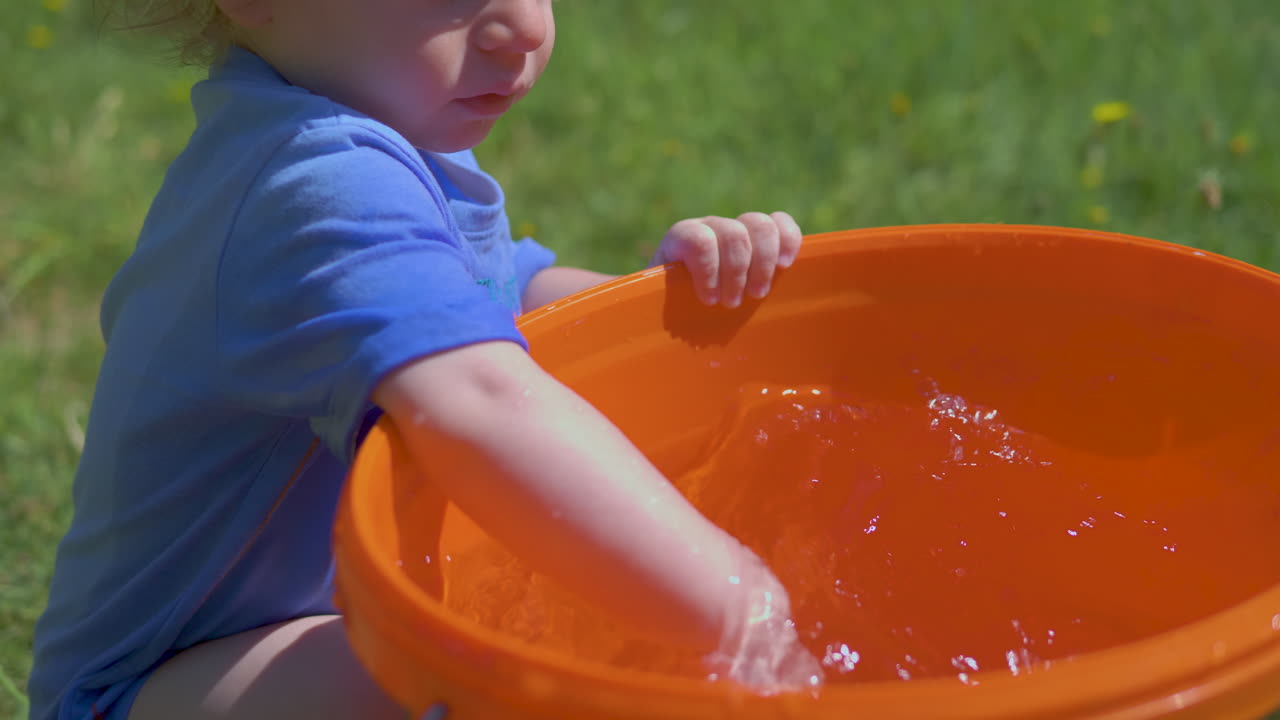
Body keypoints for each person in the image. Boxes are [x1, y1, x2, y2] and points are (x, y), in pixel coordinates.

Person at [28, 1, 822, 718]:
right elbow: (484, 398)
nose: (528, 26)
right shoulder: (314, 180)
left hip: (304, 627)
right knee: (491, 674)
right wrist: (739, 606)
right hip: (151, 688)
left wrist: (642, 306)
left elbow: (503, 294)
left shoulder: (381, 126)